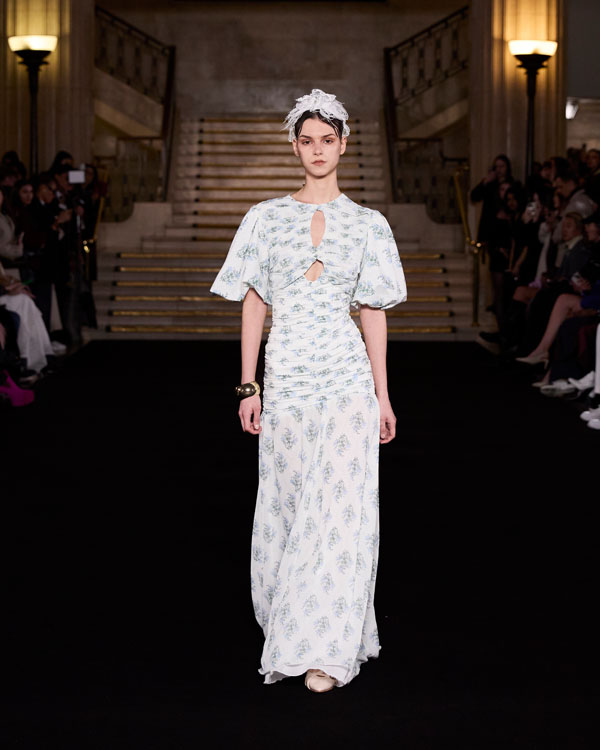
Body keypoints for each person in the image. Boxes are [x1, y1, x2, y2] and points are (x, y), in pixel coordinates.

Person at [210, 89, 407, 693]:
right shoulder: (264, 217)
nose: (317, 150)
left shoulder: (368, 224)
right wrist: (249, 385)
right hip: (289, 378)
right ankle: (291, 627)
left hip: (347, 380)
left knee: (341, 513)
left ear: (344, 145)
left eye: (328, 140)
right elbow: (254, 304)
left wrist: (383, 395)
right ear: (294, 147)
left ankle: (327, 649)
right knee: (290, 505)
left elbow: (372, 312)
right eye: (307, 141)